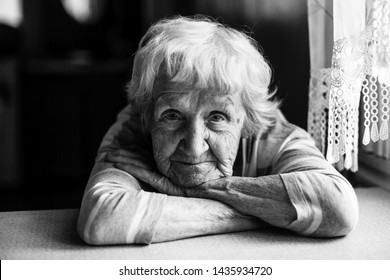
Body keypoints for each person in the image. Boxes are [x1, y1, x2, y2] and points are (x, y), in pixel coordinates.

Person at [77, 15, 359, 245]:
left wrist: (198, 191)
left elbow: (338, 208)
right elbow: (101, 221)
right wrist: (267, 212)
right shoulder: (131, 130)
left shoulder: (274, 134)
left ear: (247, 121)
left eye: (217, 117)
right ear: (148, 116)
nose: (194, 146)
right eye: (173, 115)